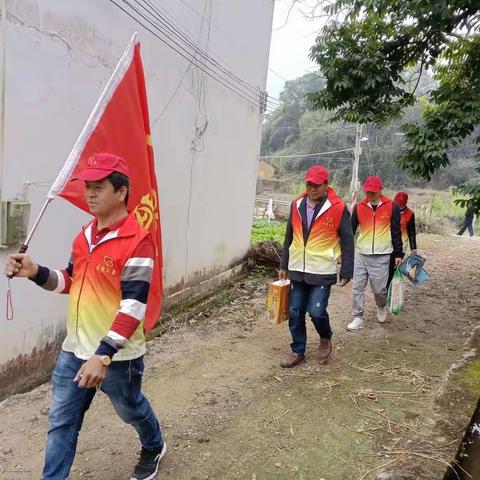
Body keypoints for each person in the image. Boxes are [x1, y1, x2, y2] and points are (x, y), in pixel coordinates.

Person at [4, 153, 165, 480]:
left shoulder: (138, 241)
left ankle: (153, 445)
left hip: (117, 357)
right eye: (87, 187)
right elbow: (71, 281)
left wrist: (102, 356)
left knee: (130, 409)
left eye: (98, 187)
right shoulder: (85, 236)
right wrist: (36, 272)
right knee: (61, 422)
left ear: (121, 192)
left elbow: (133, 307)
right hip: (74, 349)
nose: (89, 193)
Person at [278, 165, 354, 368]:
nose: (312, 189)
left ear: (326, 185)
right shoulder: (297, 204)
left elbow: (348, 241)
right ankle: (298, 350)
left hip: (321, 269)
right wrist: (283, 264)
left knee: (317, 311)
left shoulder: (338, 207)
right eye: (309, 184)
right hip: (297, 267)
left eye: (317, 185)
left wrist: (347, 270)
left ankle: (325, 335)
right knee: (295, 311)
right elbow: (288, 237)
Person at [347, 176, 403, 331]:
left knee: (379, 289)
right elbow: (350, 230)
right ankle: (357, 317)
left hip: (382, 255)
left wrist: (398, 254)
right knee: (357, 287)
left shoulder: (392, 207)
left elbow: (396, 232)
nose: (370, 195)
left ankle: (381, 305)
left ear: (380, 189)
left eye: (373, 192)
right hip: (361, 254)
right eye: (367, 192)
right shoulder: (359, 207)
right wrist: (344, 249)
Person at [387, 191, 417, 288]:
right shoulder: (387, 209)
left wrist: (413, 248)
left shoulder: (410, 214)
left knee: (391, 271)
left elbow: (411, 232)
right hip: (385, 245)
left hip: (400, 248)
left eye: (400, 205)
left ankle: (386, 290)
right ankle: (383, 289)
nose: (397, 206)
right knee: (383, 270)